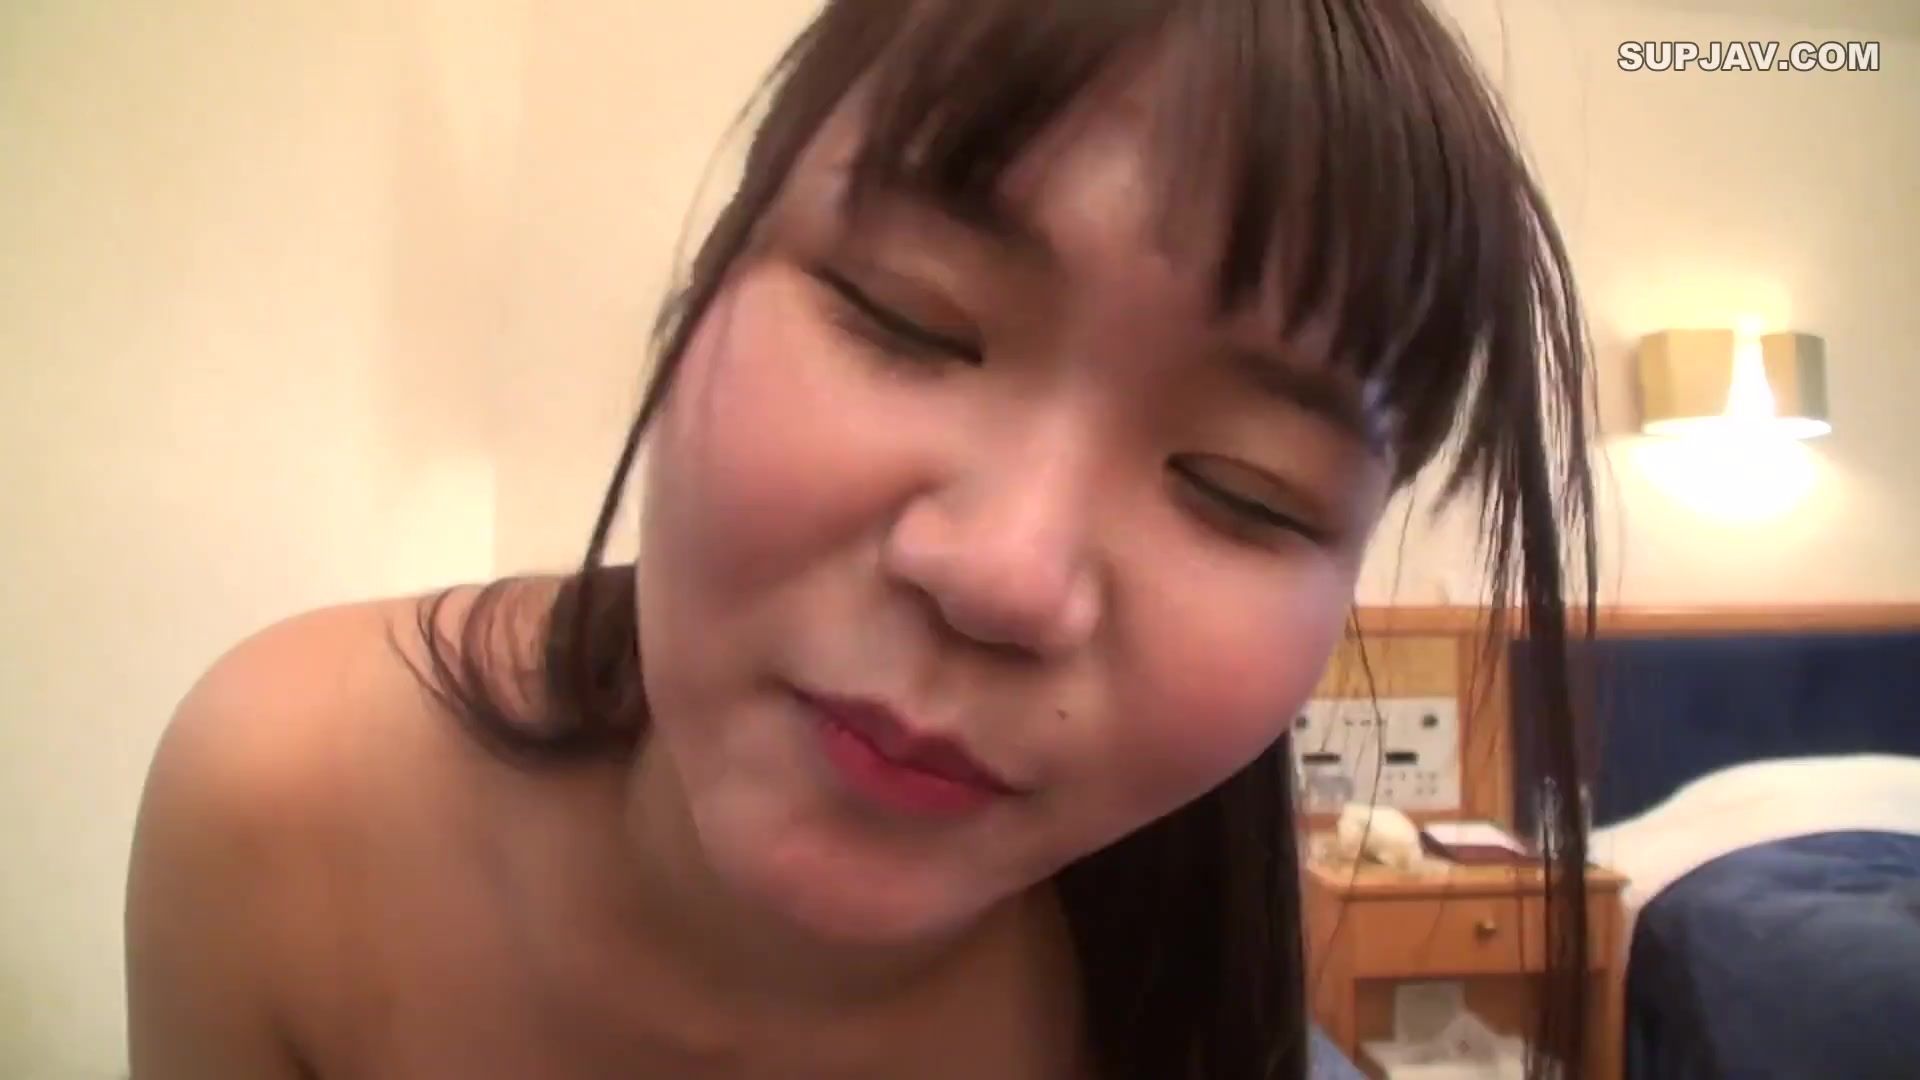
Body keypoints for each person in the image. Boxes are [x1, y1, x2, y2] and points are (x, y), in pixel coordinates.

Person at [124, 1, 1598, 1077]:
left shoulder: (1186, 995)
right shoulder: (284, 806)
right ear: (709, 283)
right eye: (905, 317)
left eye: (1247, 490)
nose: (1006, 574)